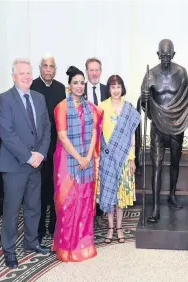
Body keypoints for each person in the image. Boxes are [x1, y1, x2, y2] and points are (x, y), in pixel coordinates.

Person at [0, 59, 51, 268]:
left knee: (33, 207)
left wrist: (41, 154)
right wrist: (29, 156)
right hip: (14, 166)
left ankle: (31, 243)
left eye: (28, 73)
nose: (26, 77)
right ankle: (9, 250)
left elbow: (46, 129)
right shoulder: (4, 99)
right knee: (11, 211)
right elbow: (6, 133)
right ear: (13, 76)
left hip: (36, 164)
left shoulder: (38, 97)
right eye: (22, 73)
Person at [140, 39, 188, 223]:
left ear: (173, 54)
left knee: (175, 162)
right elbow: (143, 104)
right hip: (157, 125)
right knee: (156, 165)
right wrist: (145, 99)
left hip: (176, 124)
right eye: (162, 55)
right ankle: (156, 207)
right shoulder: (150, 74)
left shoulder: (181, 72)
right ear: (158, 54)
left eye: (168, 55)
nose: (165, 58)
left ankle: (172, 195)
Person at [52, 66, 103, 262]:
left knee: (84, 202)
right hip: (68, 163)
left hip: (86, 162)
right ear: (69, 86)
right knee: (68, 203)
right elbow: (62, 137)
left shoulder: (91, 108)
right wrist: (80, 158)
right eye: (76, 83)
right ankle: (67, 247)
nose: (80, 86)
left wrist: (88, 157)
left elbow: (93, 134)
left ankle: (83, 244)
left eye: (82, 83)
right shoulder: (62, 107)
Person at [99, 75, 140, 243]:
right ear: (108, 89)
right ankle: (110, 228)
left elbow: (132, 137)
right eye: (112, 87)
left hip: (124, 159)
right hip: (107, 159)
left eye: (118, 86)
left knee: (121, 196)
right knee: (109, 195)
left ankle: (120, 227)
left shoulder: (129, 109)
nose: (116, 90)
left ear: (122, 88)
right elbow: (98, 134)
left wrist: (132, 159)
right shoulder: (101, 107)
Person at [30, 53, 66, 242]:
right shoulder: (33, 86)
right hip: (37, 147)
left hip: (57, 146)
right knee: (39, 189)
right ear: (40, 68)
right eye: (45, 66)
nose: (48, 69)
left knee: (54, 188)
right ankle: (38, 228)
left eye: (51, 66)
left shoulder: (61, 88)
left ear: (55, 69)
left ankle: (53, 226)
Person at [84, 57, 110, 227]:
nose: (94, 73)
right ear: (87, 71)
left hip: (103, 142)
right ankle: (87, 214)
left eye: (97, 69)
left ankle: (100, 213)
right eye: (91, 70)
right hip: (85, 143)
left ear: (101, 71)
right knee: (87, 179)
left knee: (101, 177)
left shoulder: (107, 89)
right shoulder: (79, 89)